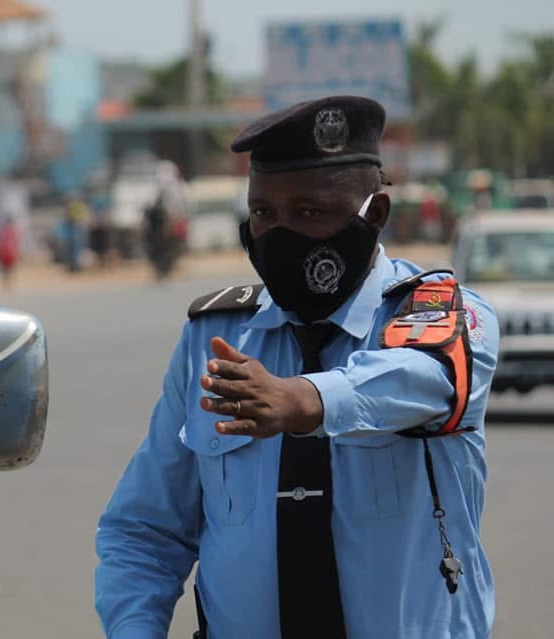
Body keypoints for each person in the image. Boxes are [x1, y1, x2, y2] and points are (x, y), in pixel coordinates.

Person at [95, 96, 499, 639]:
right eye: (264, 214)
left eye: (309, 213)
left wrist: (306, 400)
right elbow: (144, 530)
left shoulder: (438, 312)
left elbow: (429, 378)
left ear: (374, 214)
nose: (279, 234)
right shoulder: (214, 339)